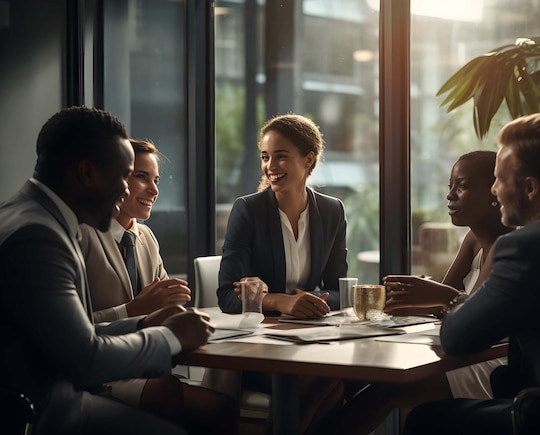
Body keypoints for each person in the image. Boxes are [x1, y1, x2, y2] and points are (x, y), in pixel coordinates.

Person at [396, 113, 540, 435]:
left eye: (499, 179)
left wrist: (451, 301)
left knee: (425, 419)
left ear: (529, 188)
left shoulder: (526, 246)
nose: (495, 190)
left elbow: (457, 338)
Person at [0, 106, 215, 435]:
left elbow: (71, 337)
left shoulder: (28, 215)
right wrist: (170, 336)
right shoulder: (39, 237)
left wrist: (143, 322)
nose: (127, 190)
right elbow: (83, 359)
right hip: (42, 415)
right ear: (87, 173)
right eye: (124, 176)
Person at [328, 151, 512, 434]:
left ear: (495, 191)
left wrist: (438, 296)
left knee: (387, 391)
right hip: (461, 350)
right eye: (449, 186)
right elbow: (445, 303)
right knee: (345, 381)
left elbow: (474, 316)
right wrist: (415, 298)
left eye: (461, 186)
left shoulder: (508, 243)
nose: (450, 196)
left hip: (491, 362)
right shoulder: (473, 238)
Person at [79, 138, 237, 434]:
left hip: (147, 364)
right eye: (142, 177)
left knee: (223, 408)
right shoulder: (84, 235)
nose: (154, 190)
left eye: (156, 180)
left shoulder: (146, 237)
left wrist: (175, 310)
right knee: (165, 391)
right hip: (103, 370)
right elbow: (74, 329)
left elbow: (165, 308)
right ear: (116, 179)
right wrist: (133, 310)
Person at [217, 113, 348, 434]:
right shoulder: (248, 210)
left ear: (308, 159)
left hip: (313, 340)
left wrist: (313, 301)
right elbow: (226, 296)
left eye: (281, 156)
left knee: (347, 380)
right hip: (260, 349)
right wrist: (279, 302)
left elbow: (339, 289)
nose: (270, 165)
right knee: (326, 379)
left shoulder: (332, 211)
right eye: (265, 157)